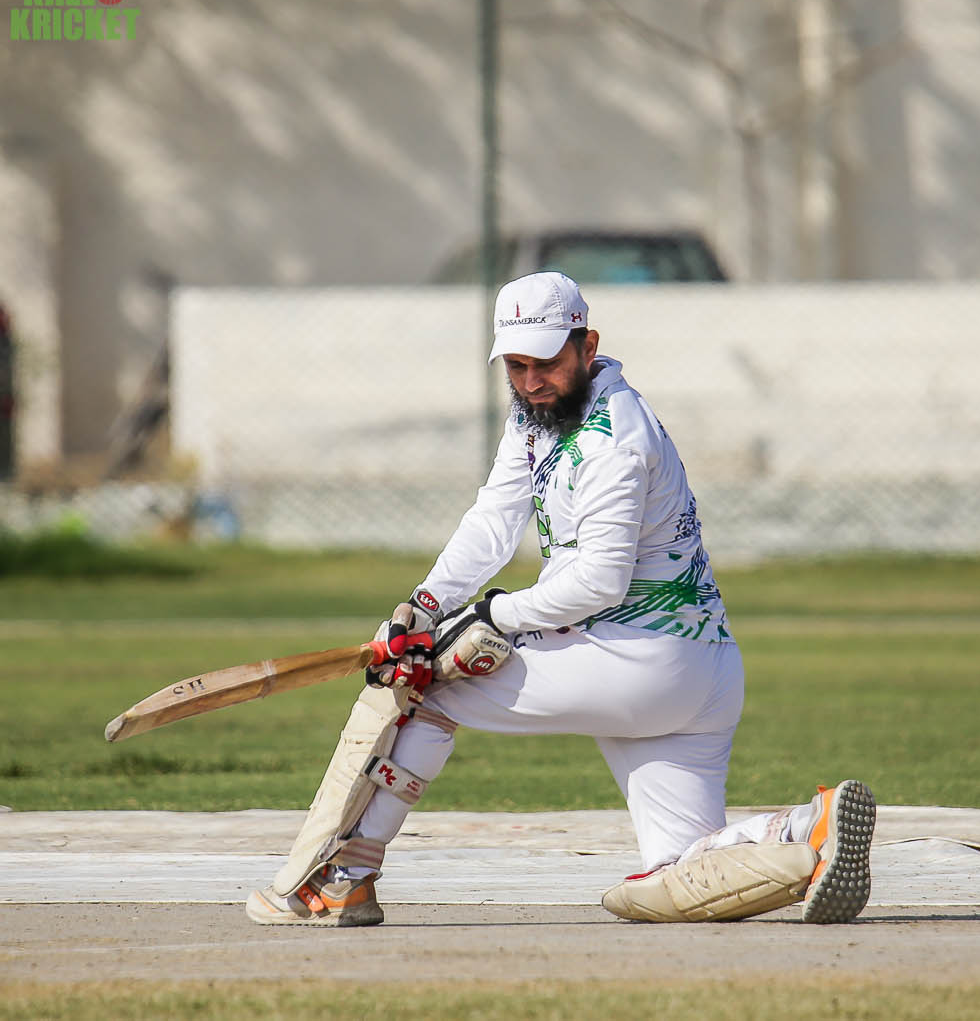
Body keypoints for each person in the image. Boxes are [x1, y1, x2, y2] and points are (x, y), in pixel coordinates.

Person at [245, 271, 875, 927]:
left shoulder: (613, 438)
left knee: (422, 683)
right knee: (677, 874)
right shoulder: (535, 417)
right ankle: (805, 829)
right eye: (516, 366)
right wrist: (425, 605)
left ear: (587, 345)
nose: (531, 381)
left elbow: (599, 581)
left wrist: (485, 616)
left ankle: (343, 875)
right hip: (695, 675)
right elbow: (494, 519)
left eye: (546, 362)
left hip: (643, 660)